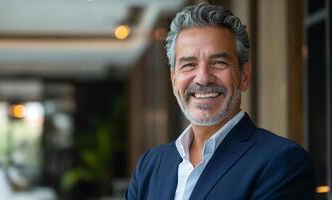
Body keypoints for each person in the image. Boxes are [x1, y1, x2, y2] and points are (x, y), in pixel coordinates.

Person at [125, 2, 315, 200]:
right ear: (174, 81)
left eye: (218, 63)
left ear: (244, 75)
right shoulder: (150, 166)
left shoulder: (282, 162)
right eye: (189, 65)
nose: (203, 78)